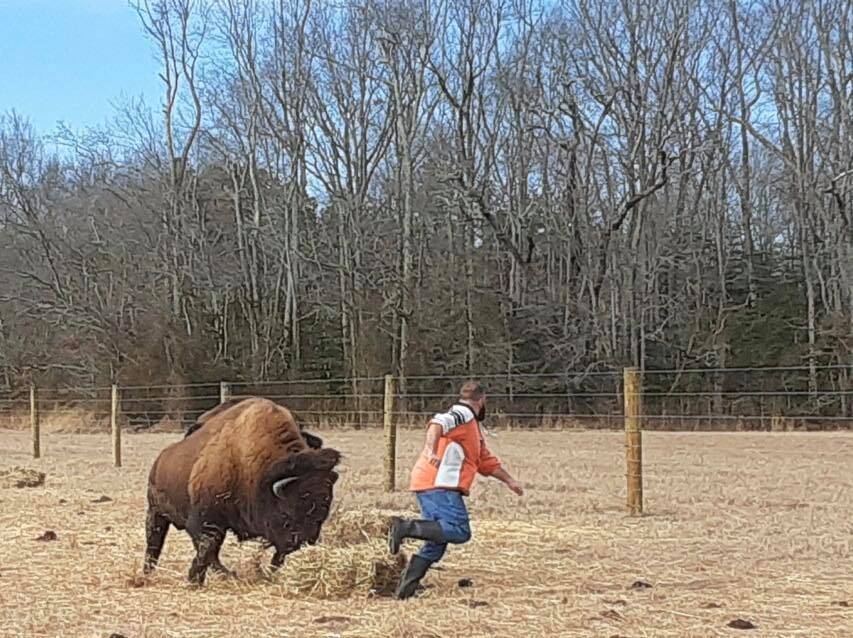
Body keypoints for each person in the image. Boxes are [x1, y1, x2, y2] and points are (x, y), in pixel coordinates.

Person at [388, 381, 524, 599]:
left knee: (436, 544)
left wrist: (509, 481)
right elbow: (437, 424)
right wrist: (431, 450)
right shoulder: (462, 414)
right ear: (482, 400)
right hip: (440, 484)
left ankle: (404, 592)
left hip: (429, 483)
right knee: (459, 531)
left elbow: (484, 461)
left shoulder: (472, 428)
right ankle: (405, 527)